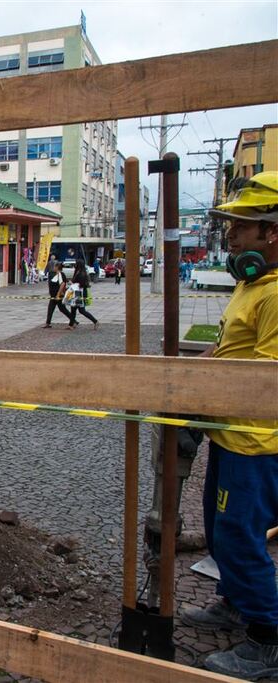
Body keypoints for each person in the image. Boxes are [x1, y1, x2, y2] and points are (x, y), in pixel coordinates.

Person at [177, 171, 278, 680]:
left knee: (240, 535)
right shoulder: (252, 282)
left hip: (257, 443)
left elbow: (264, 378)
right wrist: (191, 380)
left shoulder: (277, 294)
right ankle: (234, 602)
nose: (231, 237)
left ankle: (268, 639)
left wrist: (206, 397)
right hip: (229, 433)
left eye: (240, 227)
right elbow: (227, 348)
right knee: (221, 531)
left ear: (272, 232)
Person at [67, 259, 99, 330]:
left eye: (76, 264)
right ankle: (71, 324)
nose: (75, 265)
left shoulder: (81, 274)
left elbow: (81, 284)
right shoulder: (79, 272)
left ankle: (95, 321)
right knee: (73, 309)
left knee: (81, 310)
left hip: (79, 293)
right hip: (77, 293)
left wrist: (72, 283)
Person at [43, 262, 72, 328]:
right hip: (53, 295)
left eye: (55, 267)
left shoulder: (61, 274)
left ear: (57, 267)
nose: (54, 268)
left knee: (63, 309)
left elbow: (62, 284)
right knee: (50, 308)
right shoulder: (53, 274)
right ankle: (48, 323)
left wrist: (58, 294)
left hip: (58, 296)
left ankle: (73, 320)